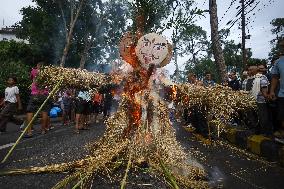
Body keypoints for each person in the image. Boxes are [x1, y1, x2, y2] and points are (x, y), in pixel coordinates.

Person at [25, 62, 50, 137]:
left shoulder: (33, 71)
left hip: (34, 94)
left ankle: (29, 132)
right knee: (44, 112)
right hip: (44, 94)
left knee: (30, 111)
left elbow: (31, 78)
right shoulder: (48, 73)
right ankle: (43, 130)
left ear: (37, 66)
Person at [250, 65, 272, 135]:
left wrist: (266, 96)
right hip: (252, 101)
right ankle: (257, 130)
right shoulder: (251, 78)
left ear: (256, 70)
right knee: (255, 116)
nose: (249, 71)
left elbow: (264, 90)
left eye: (251, 70)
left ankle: (265, 132)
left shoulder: (262, 78)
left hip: (261, 101)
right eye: (249, 70)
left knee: (263, 117)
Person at [270, 42, 284, 142]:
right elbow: (275, 77)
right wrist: (272, 91)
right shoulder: (278, 62)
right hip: (282, 94)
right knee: (282, 116)